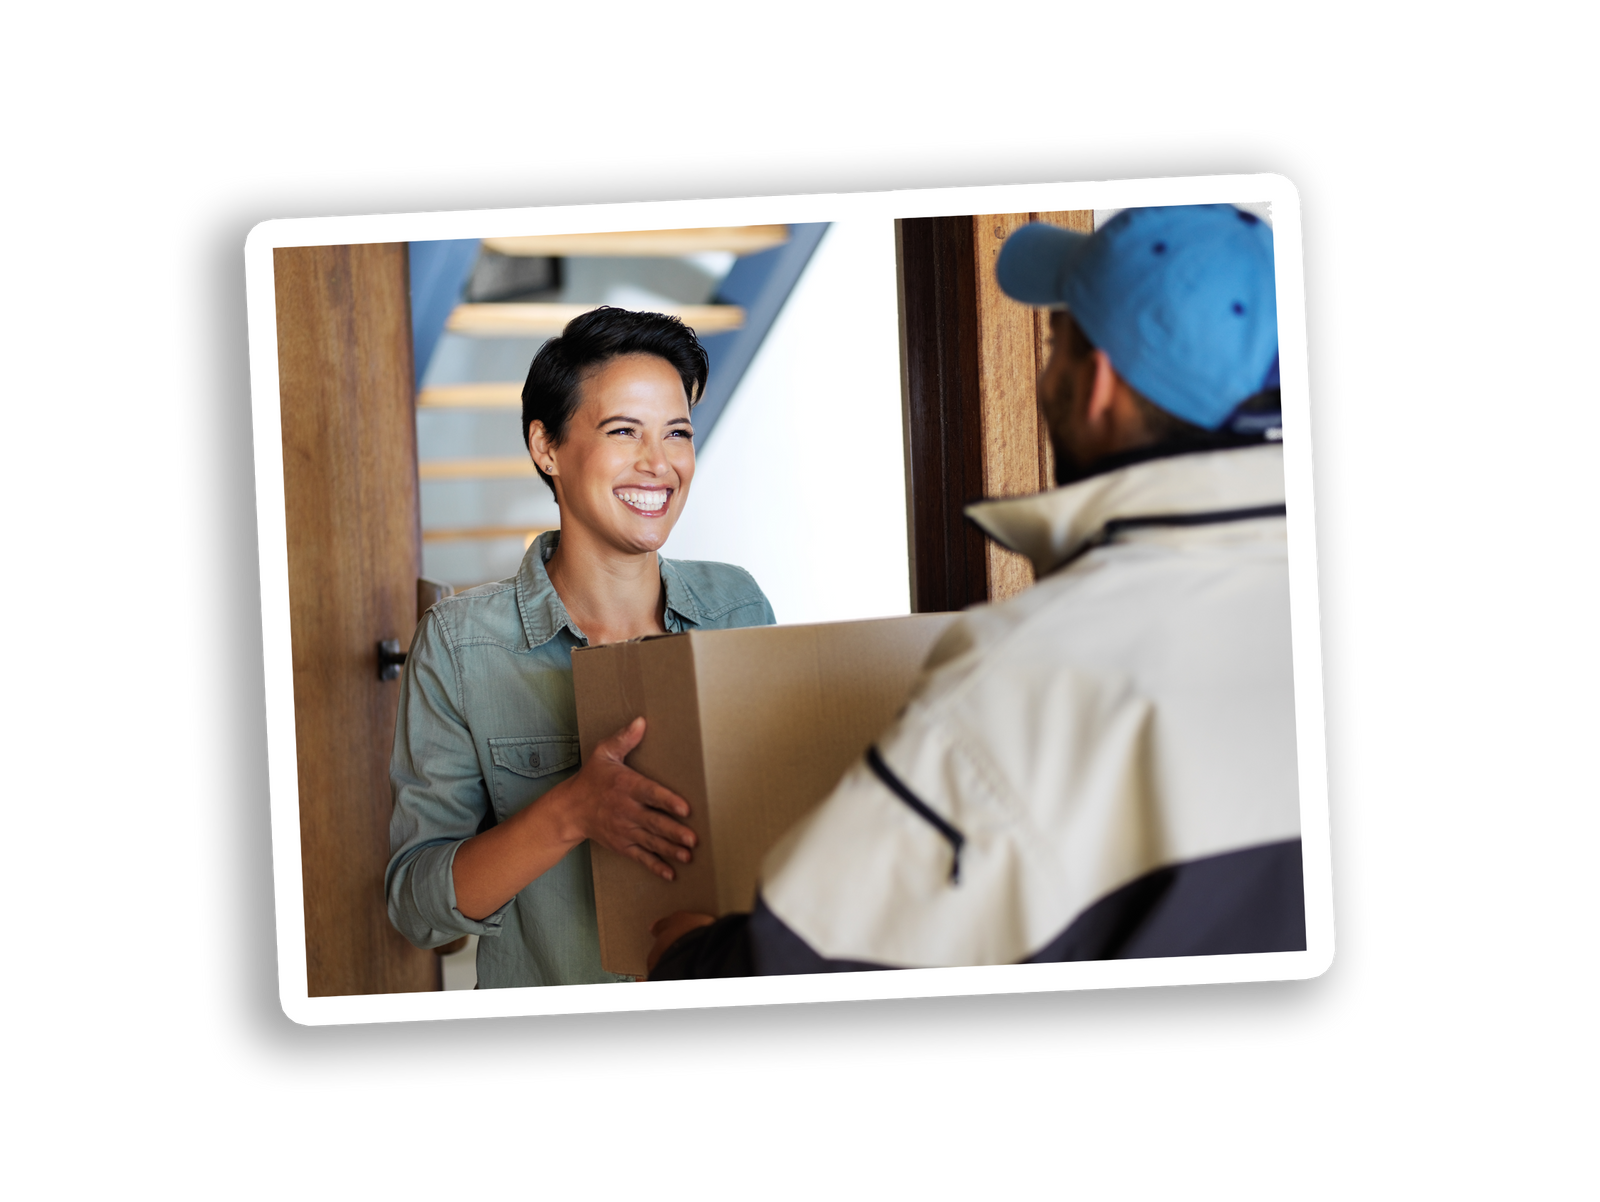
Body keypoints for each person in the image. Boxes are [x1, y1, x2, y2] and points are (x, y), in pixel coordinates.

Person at [648, 204, 1304, 976]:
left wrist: (686, 955)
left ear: (1096, 386)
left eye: (1055, 340)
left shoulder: (1032, 671)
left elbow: (800, 967)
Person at [386, 306, 776, 988]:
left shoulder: (738, 606)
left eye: (677, 432)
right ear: (547, 448)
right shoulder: (461, 644)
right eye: (625, 431)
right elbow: (419, 911)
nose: (660, 463)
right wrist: (570, 812)